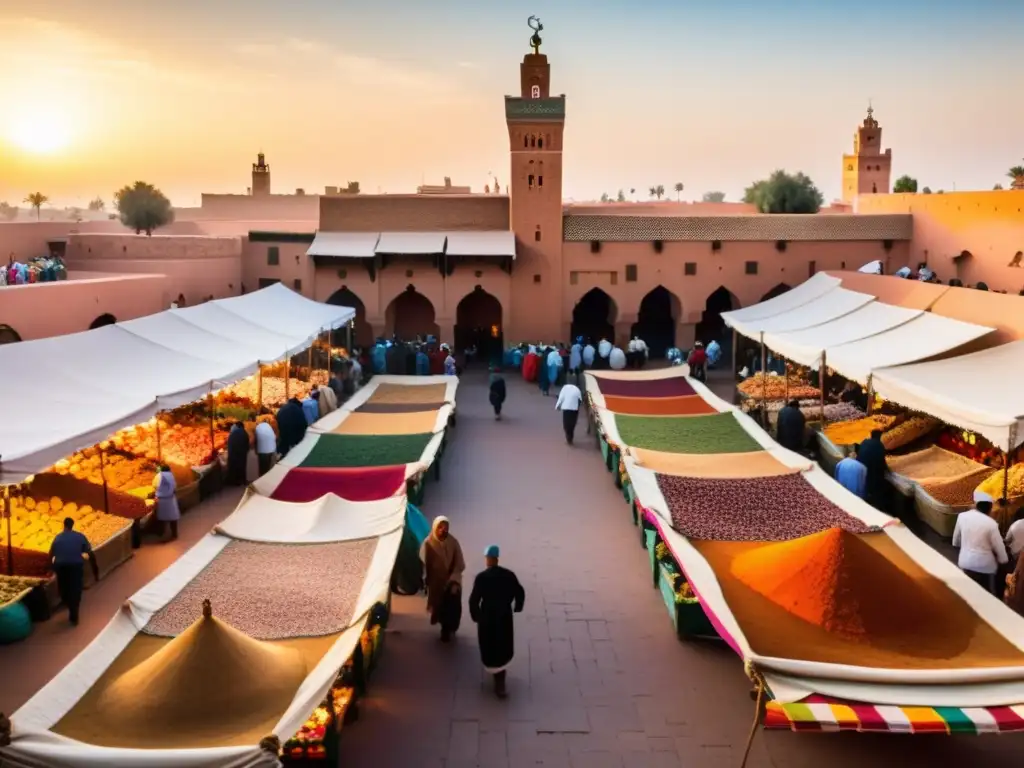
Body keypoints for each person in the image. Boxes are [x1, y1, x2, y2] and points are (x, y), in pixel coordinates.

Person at [469, 545, 525, 699]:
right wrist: (517, 607)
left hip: (487, 617)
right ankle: (500, 679)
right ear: (497, 558)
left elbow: (474, 600)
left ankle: (496, 677)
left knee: (490, 646)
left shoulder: (481, 578)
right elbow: (519, 592)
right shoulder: (509, 575)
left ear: (488, 559)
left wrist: (477, 616)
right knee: (503, 645)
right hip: (504, 617)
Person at [952, 491, 1007, 596]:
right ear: (990, 509)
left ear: (976, 505)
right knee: (984, 592)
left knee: (968, 591)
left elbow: (955, 541)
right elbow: (1000, 551)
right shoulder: (992, 524)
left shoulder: (962, 516)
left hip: (966, 562)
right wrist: (1003, 560)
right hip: (985, 566)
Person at [420, 516, 466, 642]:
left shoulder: (453, 542)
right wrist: (425, 579)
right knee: (439, 606)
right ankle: (444, 627)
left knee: (452, 606)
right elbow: (423, 563)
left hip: (452, 582)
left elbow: (460, 564)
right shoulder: (428, 543)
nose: (443, 530)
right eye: (440, 527)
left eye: (445, 527)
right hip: (436, 583)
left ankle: (449, 628)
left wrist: (453, 580)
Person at [49, 517, 99, 626]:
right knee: (75, 587)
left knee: (64, 585)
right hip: (75, 565)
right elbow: (89, 551)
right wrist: (95, 572)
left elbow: (51, 554)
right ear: (73, 525)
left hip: (60, 566)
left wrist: (51, 569)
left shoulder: (57, 538)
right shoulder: (80, 536)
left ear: (64, 525)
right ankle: (74, 611)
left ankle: (67, 600)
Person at [856, 428, 889, 509]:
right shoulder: (879, 445)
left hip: (861, 467)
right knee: (876, 486)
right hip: (871, 470)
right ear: (879, 437)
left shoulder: (864, 442)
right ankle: (877, 506)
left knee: (865, 485)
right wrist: (886, 469)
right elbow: (881, 461)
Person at [153, 464, 181, 542]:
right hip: (170, 499)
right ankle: (174, 534)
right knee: (173, 518)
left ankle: (161, 533)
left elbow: (154, 486)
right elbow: (174, 487)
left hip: (161, 499)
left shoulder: (158, 476)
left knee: (161, 517)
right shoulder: (171, 476)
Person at [555, 381, 583, 445]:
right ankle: (570, 436)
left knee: (566, 423)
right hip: (574, 409)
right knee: (572, 423)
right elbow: (580, 400)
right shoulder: (577, 389)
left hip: (566, 408)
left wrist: (557, 406)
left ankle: (568, 436)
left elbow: (561, 398)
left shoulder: (564, 388)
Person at [225, 421, 250, 486]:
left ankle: (232, 482)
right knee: (242, 466)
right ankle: (242, 481)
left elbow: (229, 442)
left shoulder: (233, 433)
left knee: (233, 465)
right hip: (241, 452)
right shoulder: (245, 433)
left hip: (232, 451)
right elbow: (247, 445)